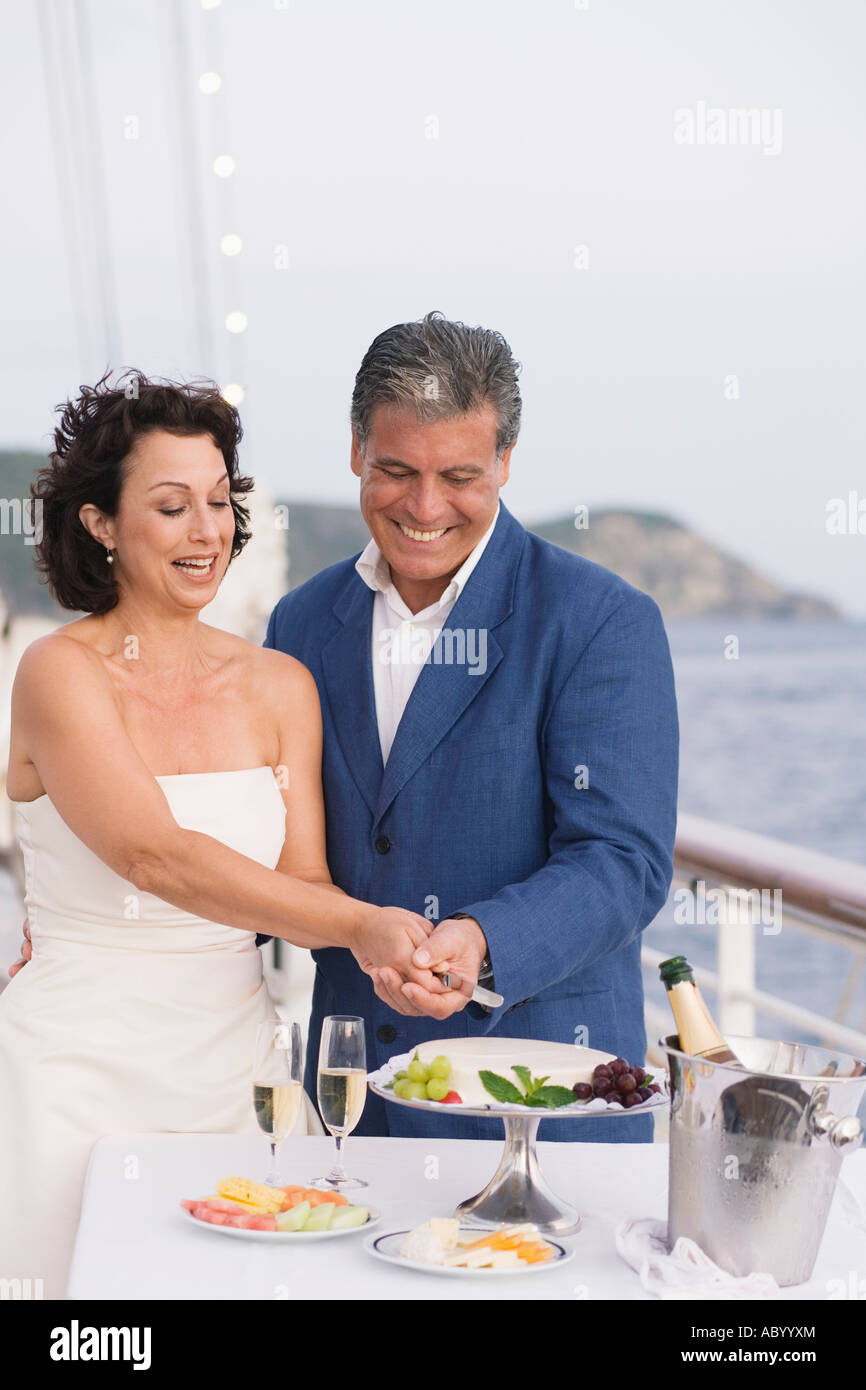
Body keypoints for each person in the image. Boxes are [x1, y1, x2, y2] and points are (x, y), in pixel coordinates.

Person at [0, 371, 443, 1298]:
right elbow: (151, 855)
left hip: (235, 1081)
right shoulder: (56, 672)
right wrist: (366, 923)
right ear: (101, 524)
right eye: (171, 506)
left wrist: (392, 948)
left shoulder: (281, 684)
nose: (208, 532)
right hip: (72, 1075)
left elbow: (305, 889)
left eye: (218, 502)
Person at [263, 310, 679, 1142]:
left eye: (458, 474)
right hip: (348, 1113)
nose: (424, 506)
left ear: (505, 462)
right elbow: (274, 849)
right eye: (393, 469)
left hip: (542, 1106)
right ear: (354, 449)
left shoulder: (601, 620)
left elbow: (625, 860)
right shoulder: (299, 624)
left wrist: (484, 939)